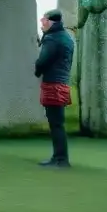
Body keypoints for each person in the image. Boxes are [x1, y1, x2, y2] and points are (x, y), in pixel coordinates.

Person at [34, 9, 74, 167]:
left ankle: (60, 159)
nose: (42, 22)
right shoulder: (66, 38)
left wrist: (37, 70)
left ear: (51, 22)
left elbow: (43, 61)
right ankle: (59, 158)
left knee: (56, 124)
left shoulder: (52, 39)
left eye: (44, 20)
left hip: (53, 84)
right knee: (58, 123)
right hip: (63, 83)